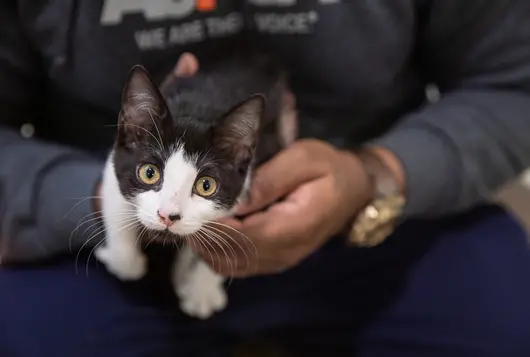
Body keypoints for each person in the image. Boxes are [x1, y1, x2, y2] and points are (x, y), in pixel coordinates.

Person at [2, 0, 530, 356]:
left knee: (511, 322)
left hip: (375, 210)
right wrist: (86, 198)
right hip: (88, 228)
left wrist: (376, 175)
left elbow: (513, 85)